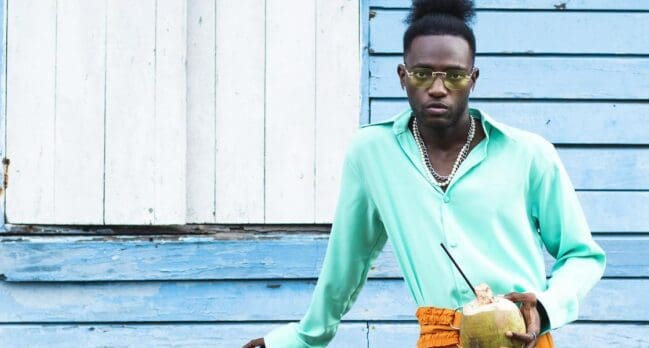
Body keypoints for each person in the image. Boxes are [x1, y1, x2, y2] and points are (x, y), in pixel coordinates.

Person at [244, 0, 605, 347]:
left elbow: (583, 255)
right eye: (422, 74)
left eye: (455, 76)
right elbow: (346, 262)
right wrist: (302, 338)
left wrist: (543, 308)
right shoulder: (372, 154)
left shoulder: (529, 155)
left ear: (473, 78)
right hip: (440, 338)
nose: (437, 88)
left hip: (519, 339)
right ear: (402, 76)